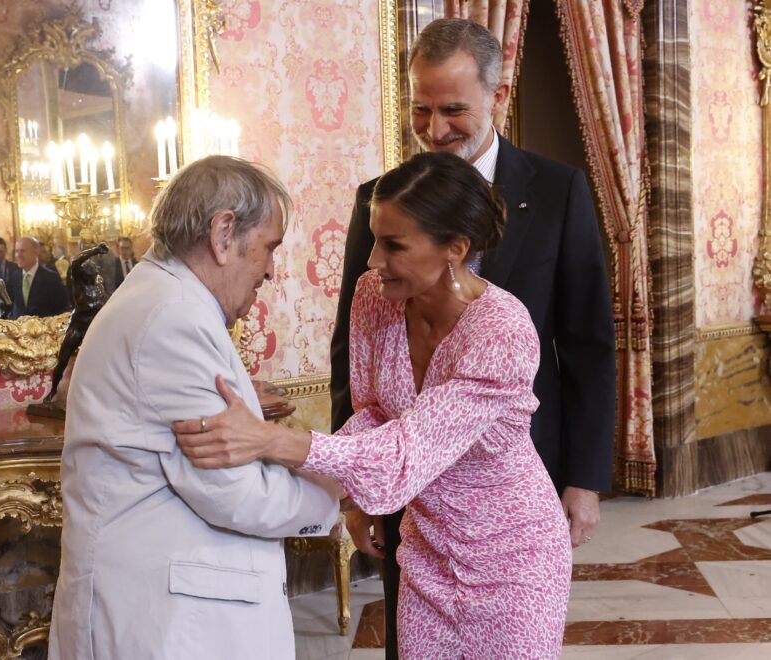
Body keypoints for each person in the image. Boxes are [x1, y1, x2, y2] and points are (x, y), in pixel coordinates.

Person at [175, 152, 573, 659]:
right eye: (375, 239)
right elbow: (373, 412)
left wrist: (273, 440)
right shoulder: (374, 295)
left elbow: (409, 451)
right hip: (426, 553)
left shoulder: (503, 330)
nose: (372, 261)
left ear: (455, 248)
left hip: (514, 561)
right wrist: (353, 498)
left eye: (394, 246)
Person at [329, 19, 615, 658]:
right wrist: (356, 493)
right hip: (410, 495)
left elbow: (589, 344)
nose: (434, 132)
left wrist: (585, 479)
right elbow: (356, 362)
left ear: (498, 94)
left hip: (519, 486)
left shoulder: (561, 189)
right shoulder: (376, 201)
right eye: (421, 110)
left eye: (454, 109)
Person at [48, 156, 340, 660]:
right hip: (166, 623)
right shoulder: (173, 317)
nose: (271, 270)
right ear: (224, 232)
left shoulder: (164, 299)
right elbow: (236, 493)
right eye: (269, 247)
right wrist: (333, 499)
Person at [45, 242, 110, 402]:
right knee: (63, 360)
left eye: (94, 269)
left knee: (101, 363)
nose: (93, 271)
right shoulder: (80, 285)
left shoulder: (100, 286)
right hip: (78, 327)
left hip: (94, 330)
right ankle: (52, 391)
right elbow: (76, 262)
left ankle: (98, 397)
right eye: (89, 269)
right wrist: (95, 250)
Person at [9, 236, 69, 319]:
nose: (18, 255)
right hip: (18, 330)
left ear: (36, 252)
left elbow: (62, 311)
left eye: (23, 251)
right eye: (16, 251)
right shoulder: (15, 277)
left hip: (44, 330)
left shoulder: (52, 278)